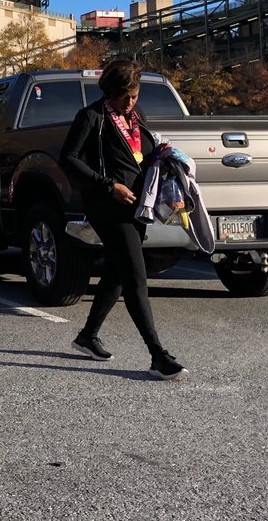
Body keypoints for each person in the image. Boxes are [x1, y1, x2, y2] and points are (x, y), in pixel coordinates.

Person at [60, 59, 188, 381]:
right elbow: (69, 159)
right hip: (108, 208)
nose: (130, 102)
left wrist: (165, 175)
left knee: (117, 273)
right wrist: (108, 185)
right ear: (109, 92)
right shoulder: (91, 117)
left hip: (136, 208)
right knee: (135, 278)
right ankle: (157, 354)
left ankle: (87, 335)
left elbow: (142, 158)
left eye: (134, 95)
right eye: (123, 97)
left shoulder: (136, 118)